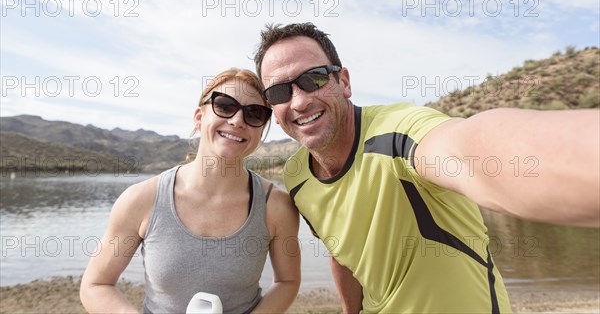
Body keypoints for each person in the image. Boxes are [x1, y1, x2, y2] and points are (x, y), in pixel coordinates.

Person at [253, 22, 600, 313]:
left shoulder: (398, 133)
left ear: (343, 81)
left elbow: (472, 151)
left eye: (313, 79)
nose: (299, 101)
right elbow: (340, 251)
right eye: (280, 92)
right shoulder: (296, 175)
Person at [80, 68, 301, 314]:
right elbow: (96, 284)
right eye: (225, 106)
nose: (238, 120)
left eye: (254, 113)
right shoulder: (141, 200)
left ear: (261, 131)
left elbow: (287, 282)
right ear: (198, 117)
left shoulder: (276, 207)